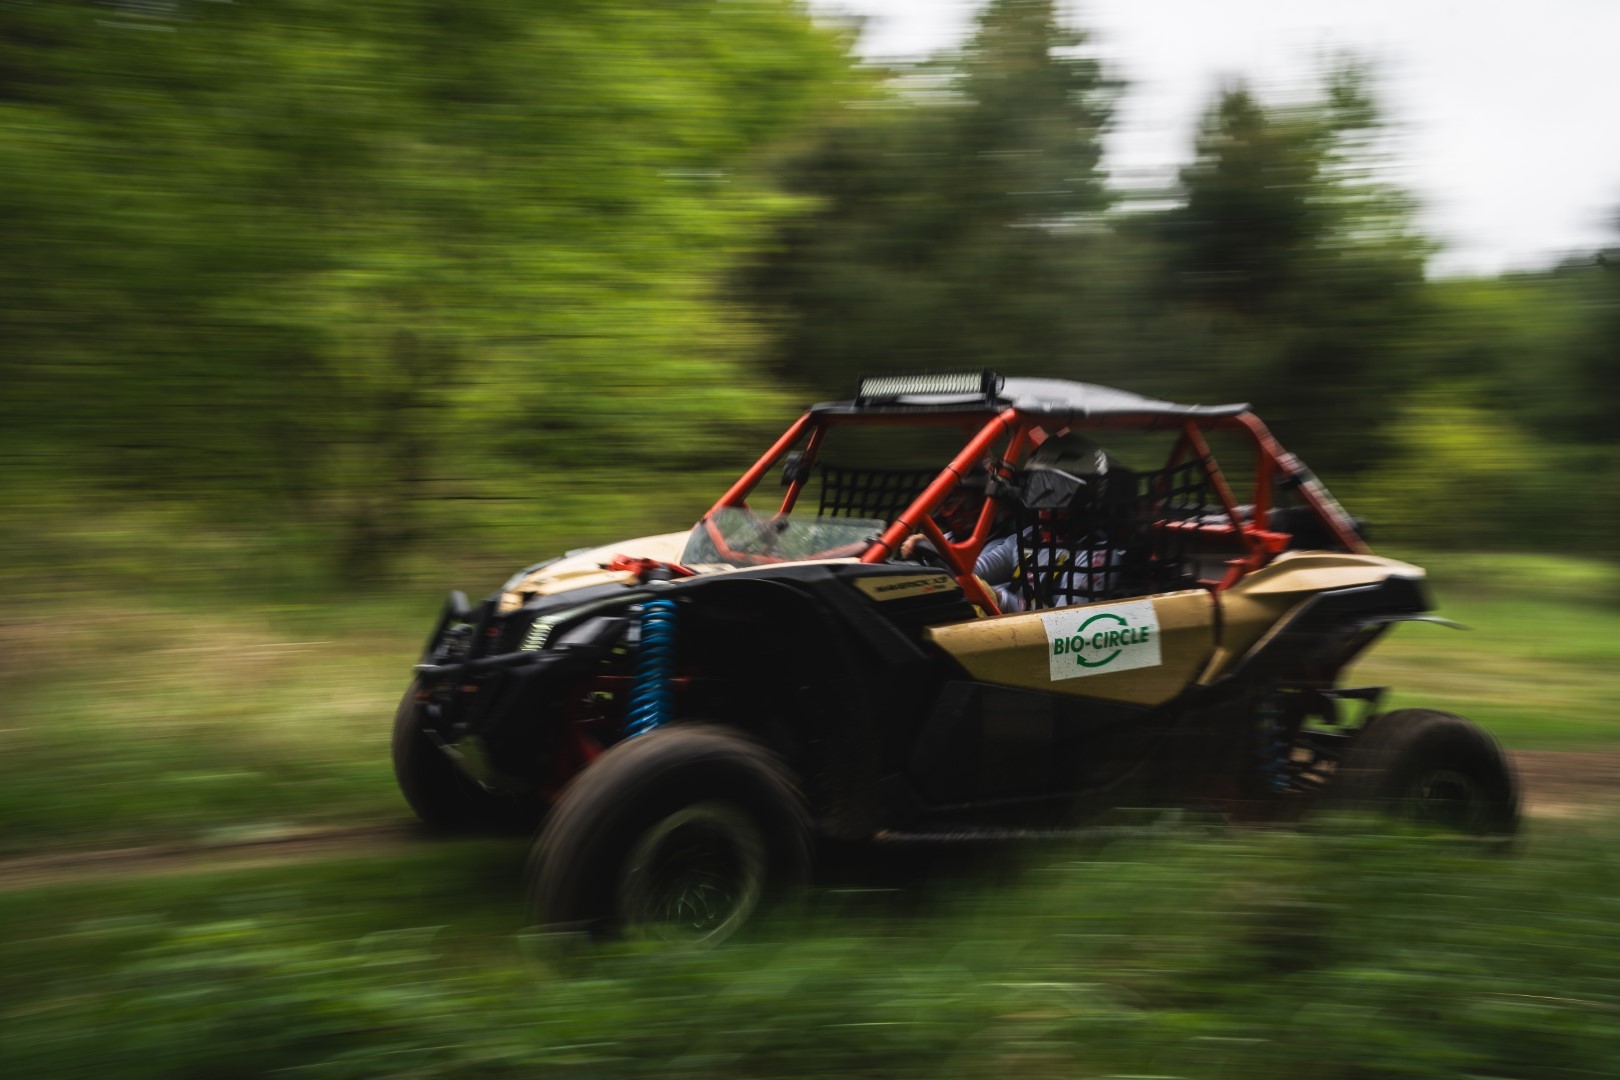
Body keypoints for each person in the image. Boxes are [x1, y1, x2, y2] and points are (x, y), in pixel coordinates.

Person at [973, 433, 1120, 612]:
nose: (1042, 502)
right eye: (1037, 487)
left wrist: (999, 598)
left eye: (1055, 491)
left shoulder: (1098, 556)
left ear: (1087, 495)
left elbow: (1066, 620)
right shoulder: (1028, 538)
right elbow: (974, 570)